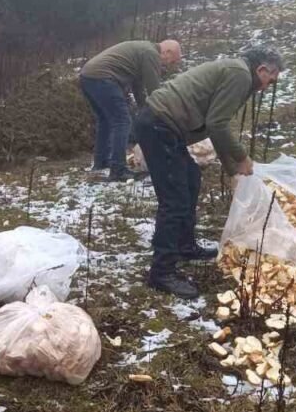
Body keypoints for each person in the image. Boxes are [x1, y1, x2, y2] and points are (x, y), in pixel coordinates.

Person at [135, 45, 282, 298]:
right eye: (271, 78)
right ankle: (162, 272)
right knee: (175, 199)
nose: (269, 86)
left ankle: (185, 246)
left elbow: (216, 124)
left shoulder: (239, 73)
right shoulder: (240, 75)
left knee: (191, 178)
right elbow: (218, 124)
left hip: (165, 125)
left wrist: (232, 169)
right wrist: (241, 159)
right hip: (159, 124)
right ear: (261, 69)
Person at [79, 40, 182, 181]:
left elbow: (137, 86)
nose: (167, 65)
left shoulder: (142, 50)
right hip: (103, 78)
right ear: (167, 52)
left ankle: (101, 161)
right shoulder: (151, 54)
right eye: (171, 61)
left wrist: (143, 109)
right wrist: (160, 115)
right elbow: (154, 90)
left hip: (88, 76)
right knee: (122, 121)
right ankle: (118, 170)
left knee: (105, 121)